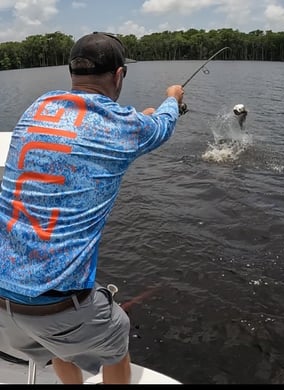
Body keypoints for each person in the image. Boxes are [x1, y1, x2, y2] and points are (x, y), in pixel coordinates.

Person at [0, 32, 184, 384]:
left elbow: (94, 129)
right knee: (116, 340)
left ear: (72, 74)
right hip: (55, 308)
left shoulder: (39, 106)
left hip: (3, 298)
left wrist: (134, 121)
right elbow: (161, 126)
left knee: (54, 345)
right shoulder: (124, 127)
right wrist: (172, 98)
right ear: (118, 75)